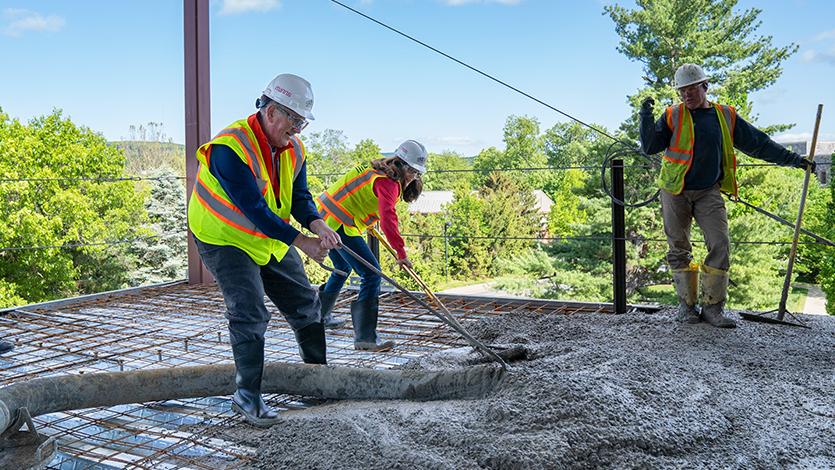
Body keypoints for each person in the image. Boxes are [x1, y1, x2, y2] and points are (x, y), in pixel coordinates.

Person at [187, 73, 340, 427]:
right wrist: (302, 242)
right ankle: (247, 397)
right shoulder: (230, 148)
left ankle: (319, 381)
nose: (298, 129)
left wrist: (318, 226)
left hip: (267, 238)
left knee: (306, 304)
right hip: (224, 237)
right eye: (294, 120)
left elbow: (298, 198)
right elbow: (254, 210)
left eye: (302, 122)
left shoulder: (294, 149)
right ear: (272, 112)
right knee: (250, 311)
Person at [640, 63, 814, 329]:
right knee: (678, 247)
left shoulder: (725, 116)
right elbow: (650, 147)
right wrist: (645, 116)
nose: (686, 95)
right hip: (675, 190)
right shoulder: (672, 116)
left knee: (720, 244)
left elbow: (759, 144)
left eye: (691, 88)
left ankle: (712, 308)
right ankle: (687, 307)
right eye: (682, 90)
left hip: (708, 190)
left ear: (705, 86)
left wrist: (794, 161)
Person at [315, 140, 427, 351]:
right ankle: (365, 338)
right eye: (412, 170)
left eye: (417, 173)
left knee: (342, 268)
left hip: (324, 215)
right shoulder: (388, 183)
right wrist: (400, 253)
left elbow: (360, 197)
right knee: (372, 275)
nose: (413, 176)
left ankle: (319, 317)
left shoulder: (376, 168)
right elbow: (388, 218)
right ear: (400, 164)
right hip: (338, 223)